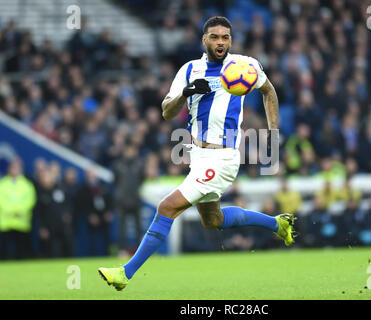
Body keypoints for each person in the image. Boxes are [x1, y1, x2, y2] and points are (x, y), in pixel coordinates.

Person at [98, 16, 296, 290]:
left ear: (230, 41)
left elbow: (269, 90)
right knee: (213, 220)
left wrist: (273, 133)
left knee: (166, 207)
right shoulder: (189, 70)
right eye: (214, 37)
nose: (220, 42)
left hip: (223, 157)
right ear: (204, 40)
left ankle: (125, 273)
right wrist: (186, 93)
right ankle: (276, 224)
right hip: (198, 156)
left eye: (225, 37)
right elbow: (166, 112)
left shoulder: (244, 66)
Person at [0, 158, 36, 259]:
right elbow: (1, 201)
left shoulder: (27, 185)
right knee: (4, 248)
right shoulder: (2, 184)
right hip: (6, 222)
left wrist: (19, 211)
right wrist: (13, 211)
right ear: (9, 169)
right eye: (13, 168)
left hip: (21, 222)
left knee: (21, 248)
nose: (15, 170)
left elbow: (30, 201)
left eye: (17, 168)